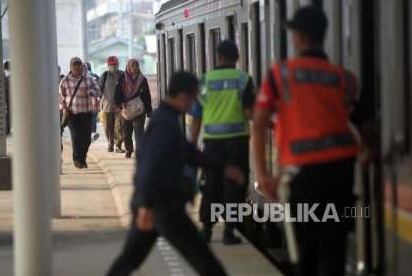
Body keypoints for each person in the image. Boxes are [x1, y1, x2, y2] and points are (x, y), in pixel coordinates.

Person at [253, 6, 367, 276]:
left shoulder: (280, 74)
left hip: (303, 178)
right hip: (341, 174)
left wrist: (263, 176)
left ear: (300, 37)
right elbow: (366, 126)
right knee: (333, 253)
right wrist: (368, 152)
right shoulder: (344, 78)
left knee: (306, 255)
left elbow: (258, 125)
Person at [106, 72, 245, 276]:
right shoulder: (165, 123)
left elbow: (187, 151)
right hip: (162, 206)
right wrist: (146, 204)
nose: (193, 104)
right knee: (206, 263)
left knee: (129, 260)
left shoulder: (166, 118)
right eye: (193, 98)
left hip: (156, 204)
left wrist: (222, 167)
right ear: (183, 96)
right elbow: (149, 166)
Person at [189, 39, 255, 245]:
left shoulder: (204, 81)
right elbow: (248, 112)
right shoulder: (243, 80)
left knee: (211, 185)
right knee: (234, 186)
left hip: (211, 144)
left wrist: (192, 145)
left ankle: (207, 230)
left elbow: (196, 116)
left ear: (218, 56)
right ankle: (229, 231)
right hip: (237, 142)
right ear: (236, 58)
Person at [59, 57, 101, 169]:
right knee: (76, 136)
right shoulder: (65, 81)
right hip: (72, 114)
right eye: (75, 65)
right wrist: (64, 106)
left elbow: (98, 91)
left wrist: (88, 92)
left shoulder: (89, 79)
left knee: (86, 138)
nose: (77, 67)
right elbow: (60, 97)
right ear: (71, 67)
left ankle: (82, 158)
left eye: (79, 65)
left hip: (86, 113)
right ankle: (77, 160)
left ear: (82, 66)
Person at [115, 59, 152, 158]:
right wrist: (119, 104)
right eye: (133, 66)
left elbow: (147, 96)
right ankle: (128, 150)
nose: (135, 68)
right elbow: (117, 93)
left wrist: (149, 111)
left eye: (136, 66)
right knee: (126, 133)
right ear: (128, 67)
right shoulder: (122, 78)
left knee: (139, 132)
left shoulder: (143, 80)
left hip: (139, 110)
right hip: (125, 109)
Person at [100, 56, 125, 153]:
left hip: (120, 106)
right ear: (108, 65)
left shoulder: (123, 75)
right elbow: (100, 90)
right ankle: (110, 143)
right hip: (107, 106)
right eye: (112, 65)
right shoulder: (104, 76)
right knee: (108, 127)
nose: (114, 66)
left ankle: (118, 146)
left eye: (116, 64)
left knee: (119, 126)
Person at [4, 61, 11, 135]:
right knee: (8, 113)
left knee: (5, 113)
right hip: (8, 95)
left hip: (3, 95)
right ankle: (7, 130)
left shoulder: (2, 74)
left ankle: (6, 130)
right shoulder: (9, 74)